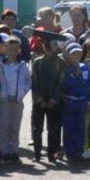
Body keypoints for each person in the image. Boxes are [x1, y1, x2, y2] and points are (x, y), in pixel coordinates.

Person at [0, 34, 29, 164]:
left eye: (15, 49)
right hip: (4, 101)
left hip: (17, 101)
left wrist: (21, 94)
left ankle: (14, 150)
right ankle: (4, 151)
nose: (12, 52)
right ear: (5, 49)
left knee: (15, 127)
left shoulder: (23, 66)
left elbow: (28, 82)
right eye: (9, 49)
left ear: (19, 51)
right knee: (4, 126)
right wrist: (2, 94)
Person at [30, 33, 65, 164]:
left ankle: (52, 153)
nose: (50, 49)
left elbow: (61, 82)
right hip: (39, 102)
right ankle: (37, 153)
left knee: (54, 129)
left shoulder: (60, 62)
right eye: (47, 46)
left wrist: (54, 99)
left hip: (54, 102)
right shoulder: (37, 62)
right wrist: (39, 99)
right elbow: (34, 82)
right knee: (37, 129)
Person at [60, 42, 90, 164]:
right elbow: (64, 85)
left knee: (80, 127)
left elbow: (89, 85)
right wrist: (74, 76)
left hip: (82, 102)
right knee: (69, 127)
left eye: (78, 53)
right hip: (70, 101)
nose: (76, 56)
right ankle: (69, 152)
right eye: (73, 53)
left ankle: (79, 151)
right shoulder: (66, 68)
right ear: (68, 55)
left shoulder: (85, 67)